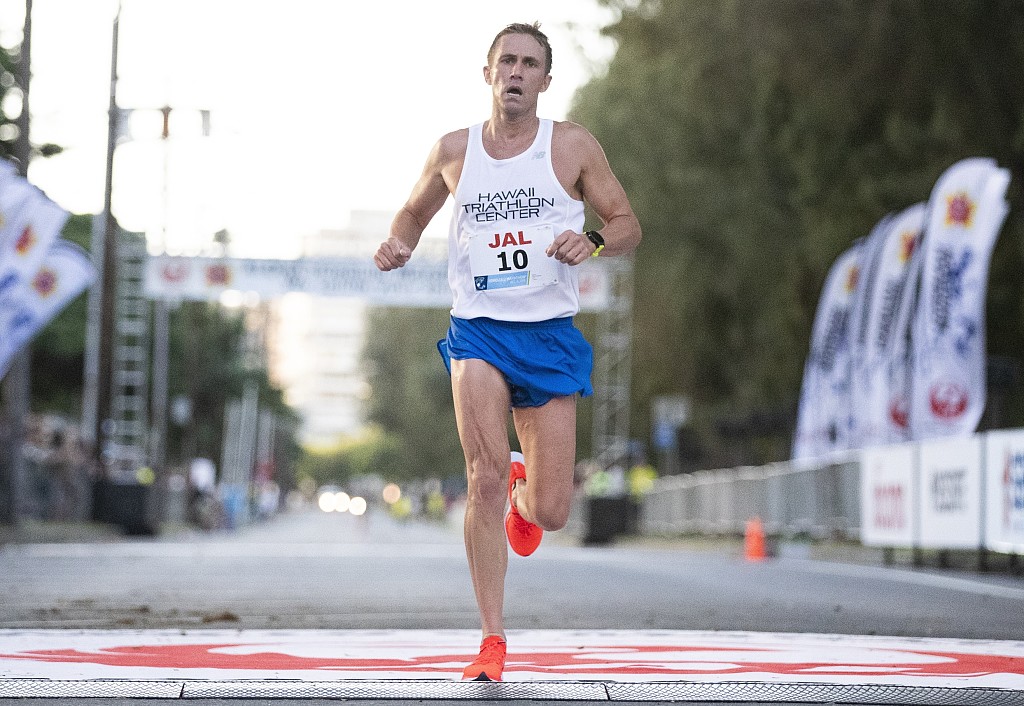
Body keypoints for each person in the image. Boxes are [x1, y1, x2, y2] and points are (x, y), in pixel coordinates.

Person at [374, 21, 641, 682]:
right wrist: (400, 242)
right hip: (479, 329)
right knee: (482, 476)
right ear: (488, 72)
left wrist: (593, 242)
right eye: (507, 61)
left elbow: (626, 223)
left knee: (552, 511)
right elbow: (412, 214)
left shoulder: (571, 146)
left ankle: (527, 497)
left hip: (547, 333)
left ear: (546, 80)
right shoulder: (453, 150)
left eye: (529, 64)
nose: (516, 72)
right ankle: (491, 639)